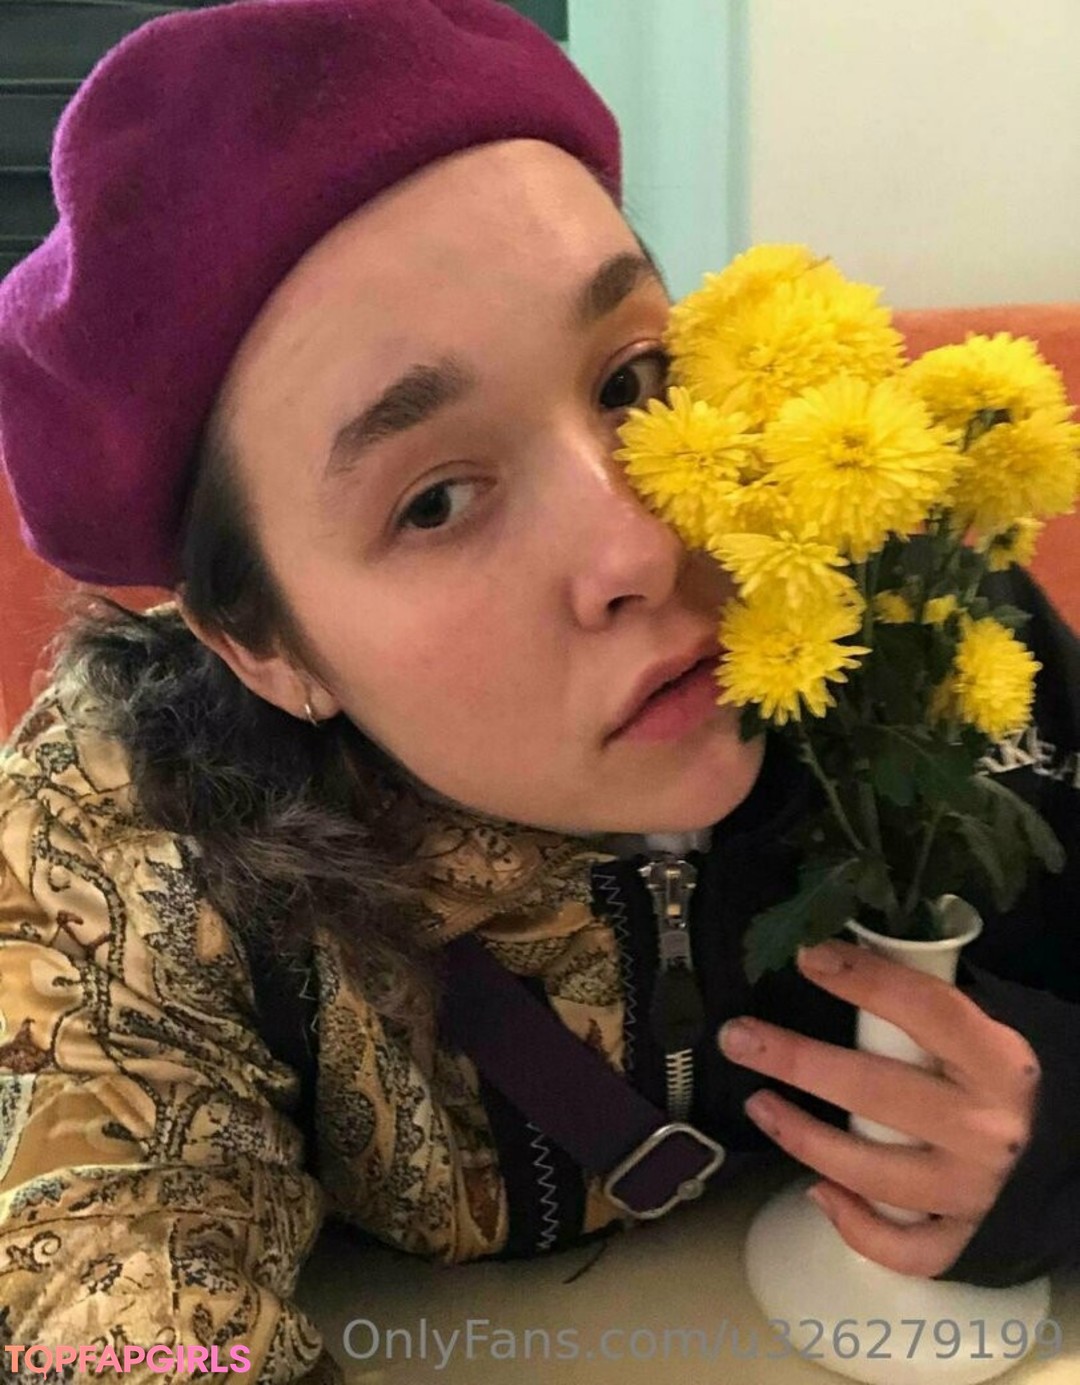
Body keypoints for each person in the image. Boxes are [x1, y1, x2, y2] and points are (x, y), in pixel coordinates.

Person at [1, 0, 1078, 1378]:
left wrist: (1057, 1136)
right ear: (264, 646)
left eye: (632, 378)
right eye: (437, 500)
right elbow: (108, 1297)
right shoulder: (127, 833)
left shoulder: (921, 624)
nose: (639, 548)